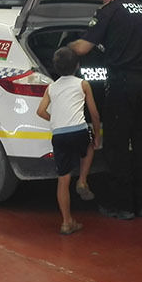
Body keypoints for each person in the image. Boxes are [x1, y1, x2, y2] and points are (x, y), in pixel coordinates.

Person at [69, 0, 142, 220]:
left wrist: (69, 45)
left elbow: (83, 48)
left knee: (117, 145)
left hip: (122, 84)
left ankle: (122, 206)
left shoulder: (109, 11)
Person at [36, 47, 101, 235]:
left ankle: (66, 223)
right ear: (77, 66)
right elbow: (94, 114)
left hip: (59, 135)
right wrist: (97, 135)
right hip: (79, 130)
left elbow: (40, 111)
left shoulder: (51, 87)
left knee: (63, 180)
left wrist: (56, 120)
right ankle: (82, 180)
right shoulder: (83, 84)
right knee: (89, 147)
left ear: (55, 67)